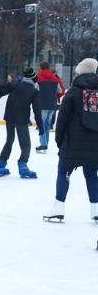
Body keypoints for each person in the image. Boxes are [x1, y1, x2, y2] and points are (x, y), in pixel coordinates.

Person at [43, 58, 98, 222]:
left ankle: (58, 209)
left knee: (63, 173)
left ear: (79, 72)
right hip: (95, 146)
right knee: (92, 176)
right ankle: (95, 211)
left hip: (72, 144)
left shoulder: (73, 92)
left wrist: (59, 141)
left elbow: (62, 120)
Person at [0, 67, 43, 178]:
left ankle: (1, 165)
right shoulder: (34, 91)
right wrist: (40, 126)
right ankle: (23, 166)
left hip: (9, 117)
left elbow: (2, 90)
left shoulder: (15, 85)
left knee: (9, 140)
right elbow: (37, 110)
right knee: (25, 144)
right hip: (21, 119)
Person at [36, 61, 66, 152]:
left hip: (42, 104)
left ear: (41, 68)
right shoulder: (55, 78)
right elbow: (60, 90)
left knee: (42, 124)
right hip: (52, 104)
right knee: (47, 125)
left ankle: (43, 144)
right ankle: (45, 144)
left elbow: (35, 90)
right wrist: (56, 97)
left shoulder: (39, 78)